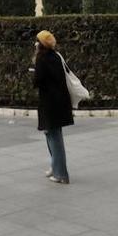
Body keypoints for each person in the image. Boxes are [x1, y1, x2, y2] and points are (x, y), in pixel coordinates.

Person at [31, 29, 73, 185]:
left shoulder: (42, 59)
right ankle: (55, 167)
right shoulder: (56, 56)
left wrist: (34, 72)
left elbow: (37, 81)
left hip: (50, 103)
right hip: (60, 102)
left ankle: (61, 173)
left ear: (41, 45)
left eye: (37, 41)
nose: (35, 44)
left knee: (54, 138)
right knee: (52, 135)